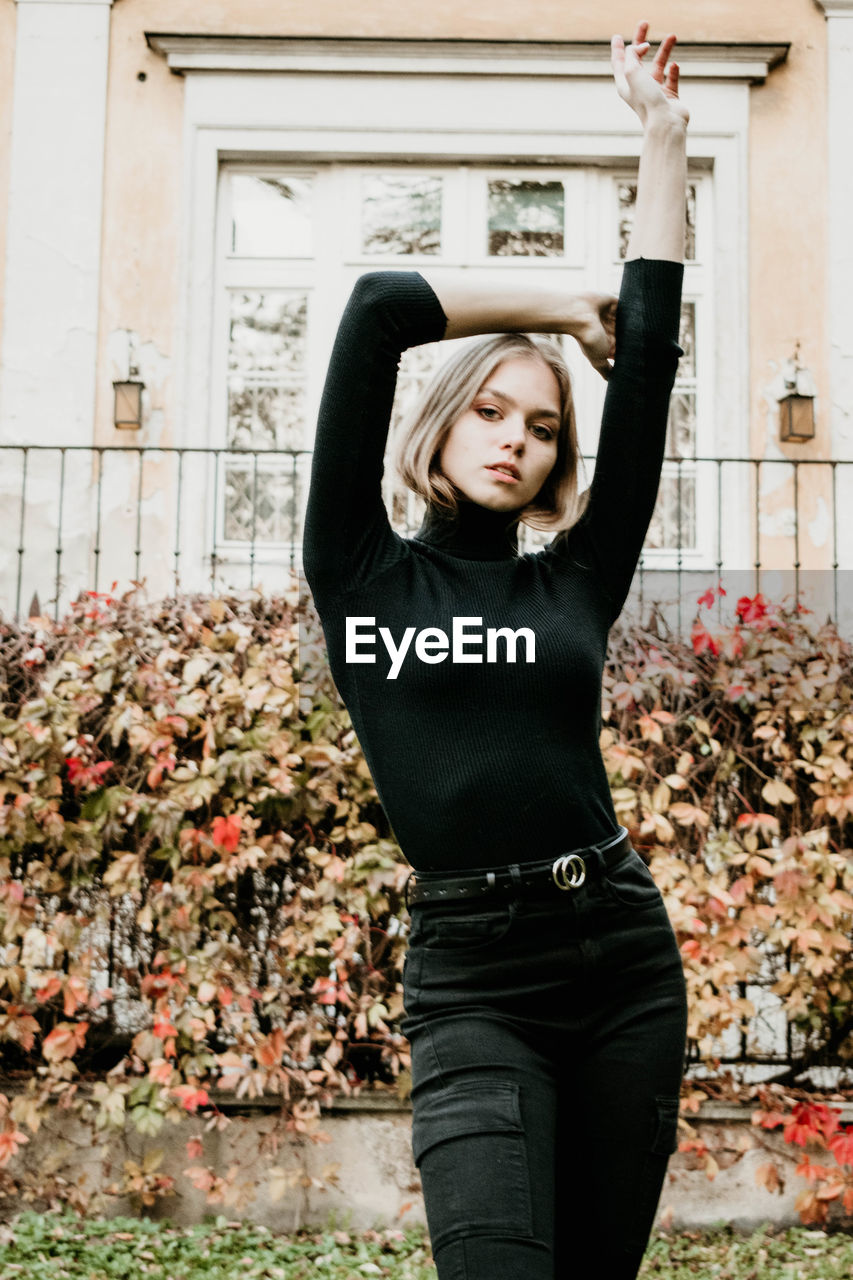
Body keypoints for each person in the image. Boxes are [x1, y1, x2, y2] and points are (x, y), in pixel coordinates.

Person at [302, 19, 690, 1280]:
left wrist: (663, 136)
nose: (516, 435)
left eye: (541, 423)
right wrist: (553, 314)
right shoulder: (357, 565)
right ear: (441, 416)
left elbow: (653, 340)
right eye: (489, 406)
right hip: (471, 975)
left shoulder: (575, 574)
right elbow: (374, 311)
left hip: (620, 956)